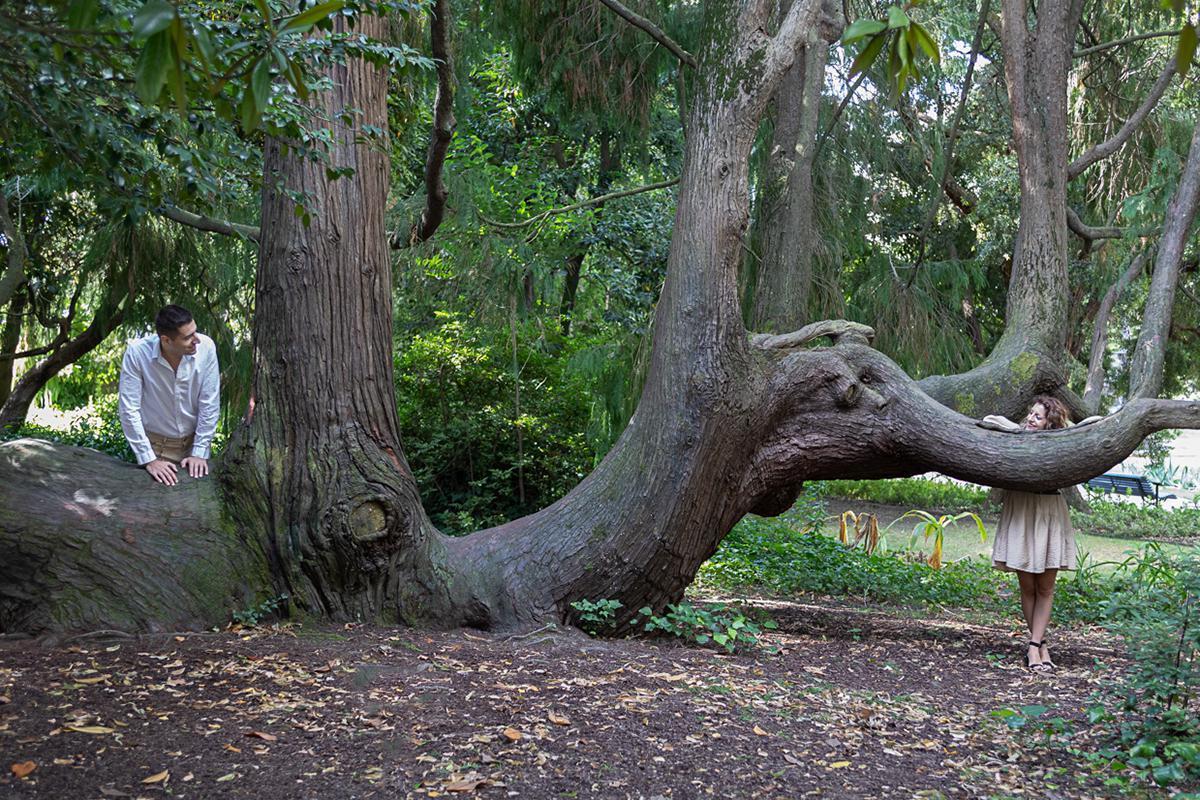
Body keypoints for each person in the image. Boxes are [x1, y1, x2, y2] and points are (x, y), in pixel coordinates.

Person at [991, 395, 1076, 673]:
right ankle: (1039, 645)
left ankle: (1035, 645)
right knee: (1027, 586)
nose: (1030, 418)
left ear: (1049, 424)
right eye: (1030, 413)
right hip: (1021, 509)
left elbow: (1086, 428)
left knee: (1046, 588)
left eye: (1037, 417)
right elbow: (993, 423)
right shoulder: (1016, 438)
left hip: (1049, 511)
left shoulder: (1060, 447)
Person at [118, 305, 220, 486]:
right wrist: (148, 459)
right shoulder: (137, 353)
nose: (196, 340)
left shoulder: (206, 347)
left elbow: (209, 403)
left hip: (194, 445)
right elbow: (129, 409)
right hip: (157, 448)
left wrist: (199, 451)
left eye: (195, 332)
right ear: (166, 340)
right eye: (188, 337)